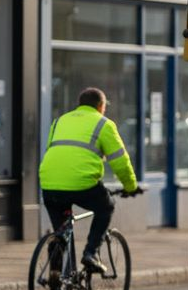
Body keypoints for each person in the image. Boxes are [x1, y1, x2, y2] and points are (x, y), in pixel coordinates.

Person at [39, 88, 140, 275]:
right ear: (101, 106)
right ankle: (91, 253)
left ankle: (56, 267)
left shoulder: (59, 121)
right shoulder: (104, 124)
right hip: (81, 184)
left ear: (80, 104)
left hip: (49, 183)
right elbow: (120, 161)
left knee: (62, 229)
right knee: (106, 206)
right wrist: (131, 186)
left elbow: (53, 152)